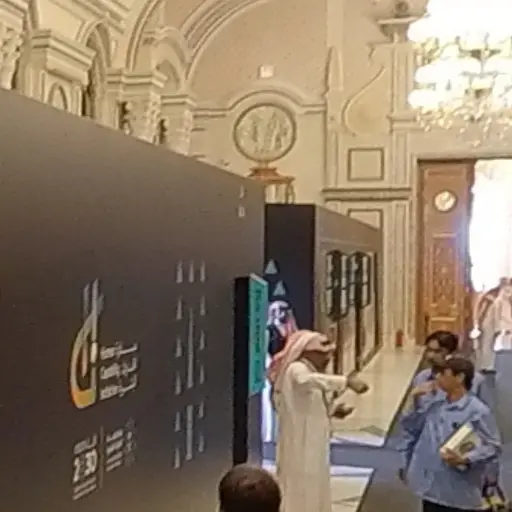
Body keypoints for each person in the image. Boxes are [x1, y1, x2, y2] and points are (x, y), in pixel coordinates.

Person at [268, 329, 369, 512]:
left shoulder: (308, 369)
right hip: (300, 441)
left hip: (314, 440)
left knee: (316, 480)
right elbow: (306, 381)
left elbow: (311, 402)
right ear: (307, 352)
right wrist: (346, 381)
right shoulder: (296, 368)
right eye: (322, 354)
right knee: (302, 481)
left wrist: (332, 410)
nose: (327, 358)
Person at [398, 357, 501, 512]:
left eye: (443, 374)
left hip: (458, 491)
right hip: (430, 487)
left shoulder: (477, 411)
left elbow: (493, 446)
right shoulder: (436, 405)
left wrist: (466, 458)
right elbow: (411, 427)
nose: (437, 378)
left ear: (459, 377)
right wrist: (413, 399)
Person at [413, 331, 490, 409]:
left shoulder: (475, 379)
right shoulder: (421, 378)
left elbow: (486, 412)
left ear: (452, 353)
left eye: (438, 351)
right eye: (428, 350)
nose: (430, 356)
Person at [473, 277, 512, 373]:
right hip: (489, 321)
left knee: (489, 343)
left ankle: (488, 365)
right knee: (486, 342)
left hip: (494, 321)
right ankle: (485, 365)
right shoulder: (498, 294)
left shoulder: (499, 294)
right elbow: (502, 311)